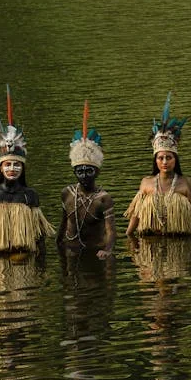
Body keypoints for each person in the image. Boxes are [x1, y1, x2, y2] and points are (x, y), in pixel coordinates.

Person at [0, 85, 54, 254]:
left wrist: (41, 269)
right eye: (7, 165)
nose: (12, 169)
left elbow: (40, 238)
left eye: (17, 165)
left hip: (24, 259)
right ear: (1, 168)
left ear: (23, 168)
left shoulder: (30, 195)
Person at [124, 92, 191, 239]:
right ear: (155, 160)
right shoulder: (146, 183)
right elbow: (136, 214)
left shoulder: (186, 183)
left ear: (176, 159)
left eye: (169, 158)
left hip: (179, 242)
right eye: (161, 158)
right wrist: (128, 235)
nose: (165, 162)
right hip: (149, 243)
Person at [57, 100, 116, 260]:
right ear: (74, 172)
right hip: (70, 250)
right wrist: (58, 246)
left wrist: (108, 250)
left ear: (97, 172)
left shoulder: (103, 198)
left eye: (89, 171)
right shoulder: (67, 193)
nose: (84, 175)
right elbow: (63, 223)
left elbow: (111, 231)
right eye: (80, 171)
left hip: (95, 252)